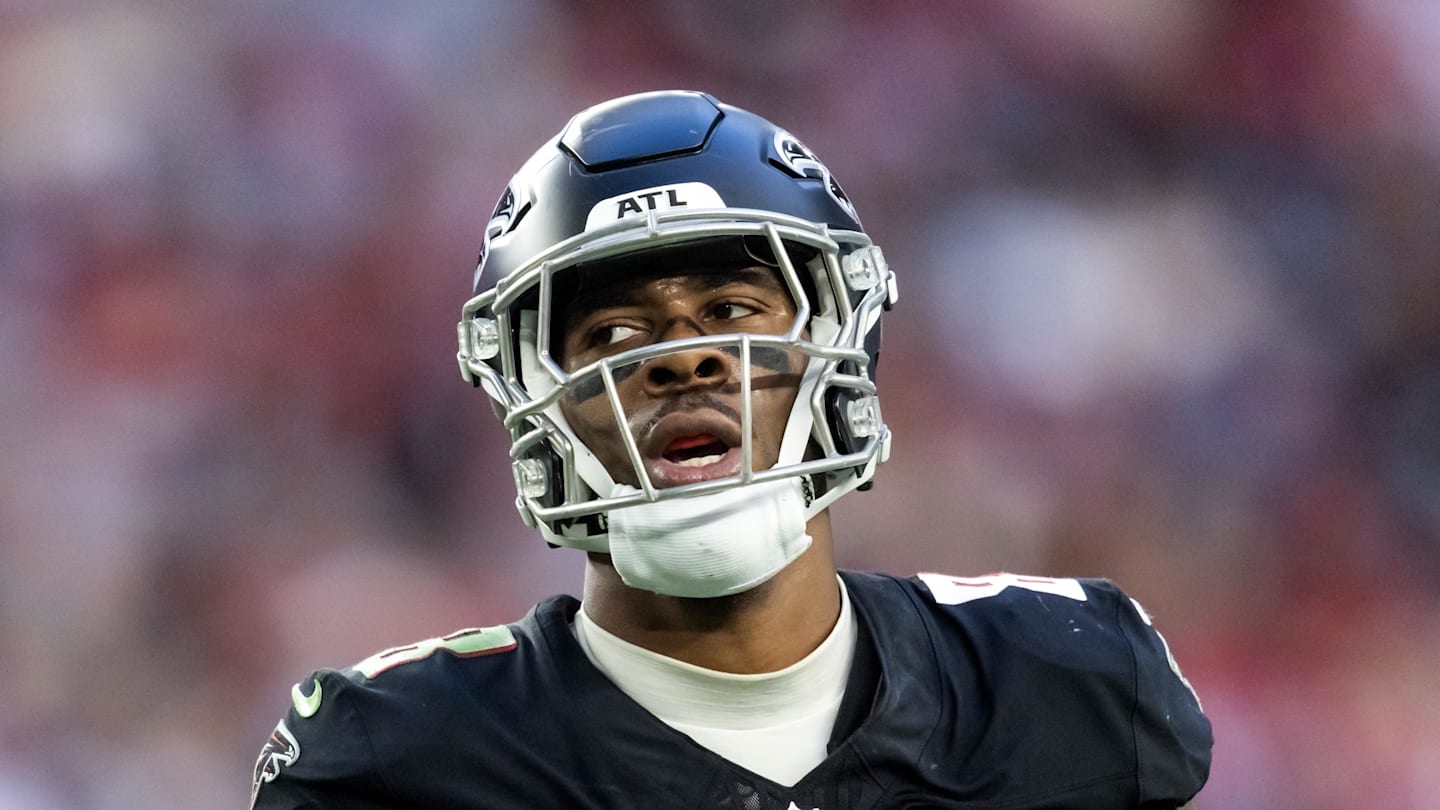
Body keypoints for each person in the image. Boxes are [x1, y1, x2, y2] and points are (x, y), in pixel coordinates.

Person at [251, 90, 1212, 809]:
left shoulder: (1060, 680)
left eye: (733, 310)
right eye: (614, 334)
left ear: (837, 344)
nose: (685, 358)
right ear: (534, 401)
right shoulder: (402, 759)